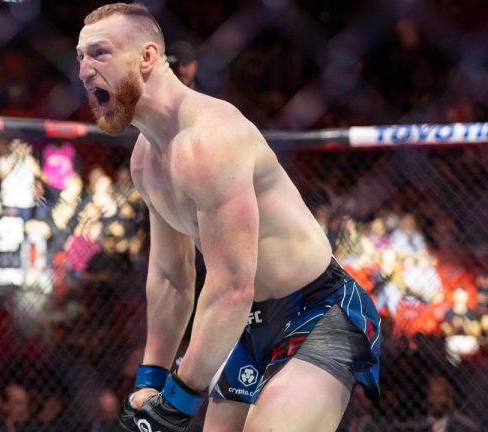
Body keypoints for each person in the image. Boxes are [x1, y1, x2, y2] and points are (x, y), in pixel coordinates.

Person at [76, 3, 381, 431]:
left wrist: (178, 400)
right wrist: (152, 380)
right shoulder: (146, 160)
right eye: (80, 57)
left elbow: (233, 284)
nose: (85, 71)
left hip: (319, 310)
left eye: (99, 53)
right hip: (249, 324)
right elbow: (170, 275)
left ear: (147, 57)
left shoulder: (209, 140)